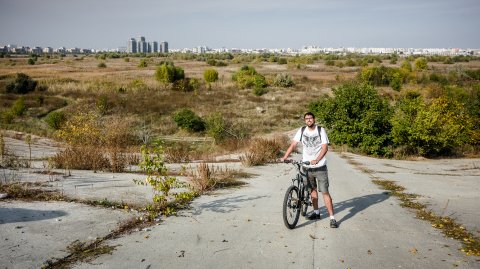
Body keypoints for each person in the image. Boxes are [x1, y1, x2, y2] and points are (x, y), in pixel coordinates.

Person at [280, 112, 338, 228]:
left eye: (310, 118)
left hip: (320, 167)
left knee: (325, 192)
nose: (309, 120)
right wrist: (285, 157)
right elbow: (293, 145)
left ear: (314, 119)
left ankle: (332, 218)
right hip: (306, 167)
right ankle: (316, 213)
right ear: (304, 120)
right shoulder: (302, 131)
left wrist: (317, 159)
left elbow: (325, 147)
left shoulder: (321, 130)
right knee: (312, 190)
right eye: (306, 119)